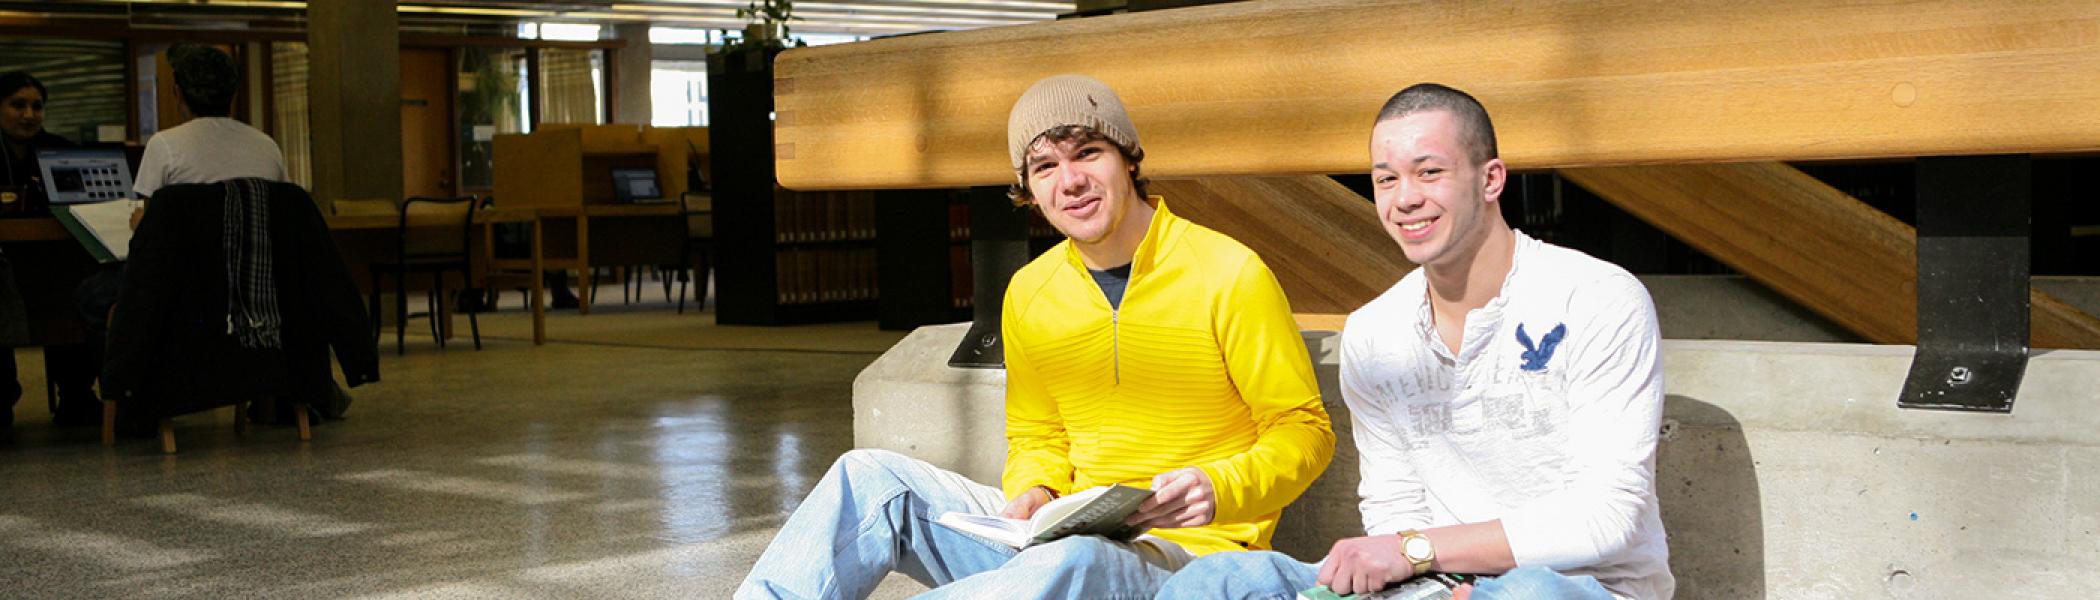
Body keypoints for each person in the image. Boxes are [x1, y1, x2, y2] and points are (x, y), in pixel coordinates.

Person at [736, 74, 1335, 599]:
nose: (1069, 181)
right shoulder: (1030, 291)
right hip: (1063, 535)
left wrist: (1220, 487)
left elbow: (1304, 430)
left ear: (1128, 158)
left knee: (1077, 560)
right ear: (1027, 186)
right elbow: (1036, 434)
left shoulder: (1229, 272)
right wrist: (1036, 491)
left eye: (1087, 153)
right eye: (1045, 167)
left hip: (1184, 554)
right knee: (869, 478)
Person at [1157, 83, 1673, 599]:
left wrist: (1417, 552)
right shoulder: (1373, 332)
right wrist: (1425, 576)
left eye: (1429, 172)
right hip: (1432, 579)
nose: (1405, 199)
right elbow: (1393, 507)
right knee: (1219, 579)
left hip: (1581, 585)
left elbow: (1605, 517)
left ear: (1491, 179)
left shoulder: (1596, 298)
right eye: (1386, 179)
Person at [0, 70, 103, 428]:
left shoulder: (61, 151)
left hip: (54, 256)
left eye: (37, 106)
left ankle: (76, 394)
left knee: (73, 287)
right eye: (18, 105)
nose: (29, 115)